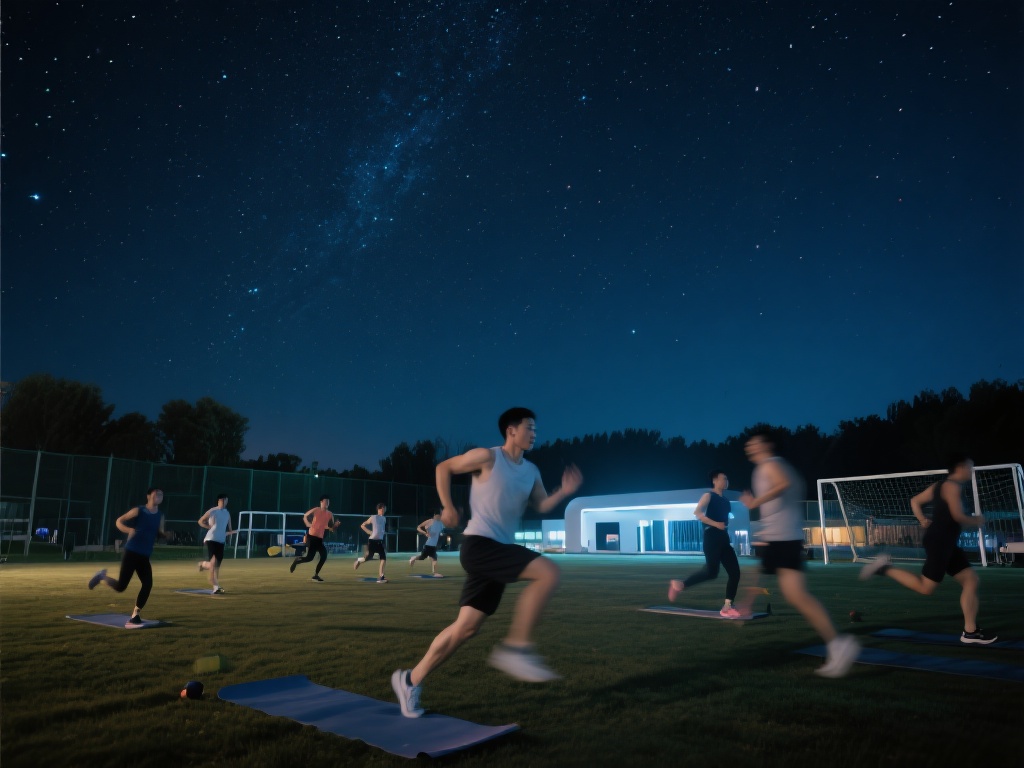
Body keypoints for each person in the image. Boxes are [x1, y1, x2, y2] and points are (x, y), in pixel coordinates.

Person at [391, 407, 583, 718]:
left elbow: (542, 503)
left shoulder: (531, 471)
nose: (535, 433)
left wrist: (564, 491)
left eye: (536, 429)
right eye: (530, 428)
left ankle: (410, 680)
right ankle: (516, 648)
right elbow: (443, 468)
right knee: (548, 572)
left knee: (465, 629)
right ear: (511, 430)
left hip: (499, 551)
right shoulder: (488, 457)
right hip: (480, 545)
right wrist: (448, 507)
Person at [739, 432, 860, 677]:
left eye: (754, 442)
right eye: (748, 443)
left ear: (767, 444)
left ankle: (839, 644)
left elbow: (783, 485)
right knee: (795, 594)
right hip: (782, 536)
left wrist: (755, 503)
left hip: (781, 538)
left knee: (795, 594)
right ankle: (838, 644)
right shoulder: (774, 465)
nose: (748, 446)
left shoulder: (771, 465)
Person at [859, 455, 997, 644]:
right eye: (970, 467)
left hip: (945, 542)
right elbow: (957, 516)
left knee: (971, 580)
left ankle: (970, 632)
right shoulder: (952, 487)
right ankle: (883, 568)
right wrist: (978, 520)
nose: (972, 471)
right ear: (961, 467)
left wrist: (923, 520)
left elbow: (915, 501)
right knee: (926, 588)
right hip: (940, 542)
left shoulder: (939, 486)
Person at [88, 488, 173, 627]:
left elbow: (157, 532)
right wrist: (129, 530)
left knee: (148, 584)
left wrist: (165, 535)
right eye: (156, 493)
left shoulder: (160, 515)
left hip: (145, 555)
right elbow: (119, 521)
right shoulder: (139, 511)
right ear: (148, 496)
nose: (159, 495)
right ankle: (102, 577)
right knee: (121, 586)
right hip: (132, 552)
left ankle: (135, 615)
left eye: (161, 494)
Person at [668, 470, 742, 617]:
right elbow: (697, 513)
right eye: (723, 479)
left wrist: (723, 528)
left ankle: (727, 606)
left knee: (735, 572)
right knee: (711, 572)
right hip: (711, 537)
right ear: (715, 481)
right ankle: (680, 585)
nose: (726, 481)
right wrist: (716, 524)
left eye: (727, 479)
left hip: (723, 538)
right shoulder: (708, 496)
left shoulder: (726, 501)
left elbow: (724, 521)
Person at [289, 495, 340, 581]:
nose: (327, 503)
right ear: (321, 502)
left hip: (319, 539)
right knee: (309, 558)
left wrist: (335, 526)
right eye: (325, 501)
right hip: (311, 537)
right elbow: (305, 516)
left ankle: (316, 575)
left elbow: (331, 529)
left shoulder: (330, 514)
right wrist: (307, 524)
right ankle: (297, 561)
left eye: (328, 502)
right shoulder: (316, 510)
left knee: (324, 556)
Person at [197, 494, 236, 594]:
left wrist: (232, 532)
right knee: (214, 563)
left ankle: (202, 564)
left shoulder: (227, 513)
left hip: (221, 540)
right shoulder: (213, 511)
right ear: (218, 500)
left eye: (225, 500)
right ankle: (215, 586)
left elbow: (229, 529)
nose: (224, 501)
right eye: (222, 499)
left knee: (216, 565)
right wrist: (209, 527)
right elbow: (200, 521)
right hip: (211, 539)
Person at [354, 502, 389, 583]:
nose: (384, 510)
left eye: (385, 508)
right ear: (379, 509)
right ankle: (358, 561)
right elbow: (363, 525)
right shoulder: (373, 517)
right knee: (369, 557)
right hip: (372, 541)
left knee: (383, 558)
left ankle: (381, 576)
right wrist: (369, 532)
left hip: (379, 541)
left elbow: (381, 529)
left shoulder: (384, 518)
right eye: (383, 508)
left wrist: (382, 533)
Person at [410, 511, 446, 577]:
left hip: (434, 545)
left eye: (440, 515)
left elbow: (441, 531)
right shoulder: (430, 521)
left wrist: (441, 534)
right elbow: (418, 527)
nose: (439, 517)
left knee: (435, 558)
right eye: (437, 516)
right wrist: (425, 533)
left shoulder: (441, 523)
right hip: (428, 544)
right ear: (434, 515)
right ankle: (413, 558)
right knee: (422, 557)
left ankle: (435, 573)